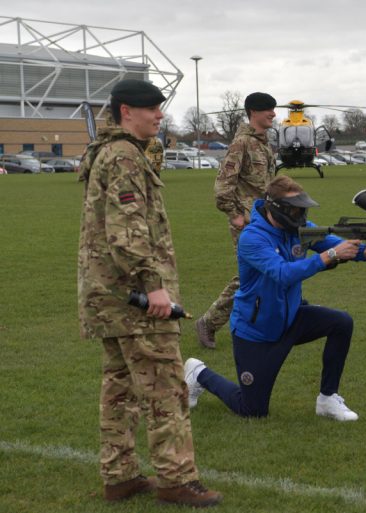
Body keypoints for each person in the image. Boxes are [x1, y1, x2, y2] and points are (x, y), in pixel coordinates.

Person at [77, 79, 221, 507]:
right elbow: (128, 232)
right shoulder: (123, 156)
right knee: (165, 388)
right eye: (151, 108)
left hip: (108, 296)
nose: (159, 114)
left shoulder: (109, 151)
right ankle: (176, 480)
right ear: (126, 111)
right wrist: (153, 287)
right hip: (134, 298)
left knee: (119, 389)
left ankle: (119, 477)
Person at [184, 175, 366, 421]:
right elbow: (282, 273)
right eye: (295, 210)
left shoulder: (298, 227)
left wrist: (364, 252)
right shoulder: (252, 238)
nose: (301, 216)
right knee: (253, 409)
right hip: (256, 331)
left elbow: (333, 244)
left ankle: (328, 398)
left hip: (290, 318)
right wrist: (329, 256)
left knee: (341, 322)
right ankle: (199, 373)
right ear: (277, 209)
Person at [195, 92, 277, 349]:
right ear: (254, 112)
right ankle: (209, 322)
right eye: (268, 110)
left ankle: (265, 324)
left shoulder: (263, 144)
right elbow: (222, 187)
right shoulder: (241, 144)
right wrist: (234, 215)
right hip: (247, 223)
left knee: (269, 271)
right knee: (249, 276)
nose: (274, 114)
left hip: (266, 220)